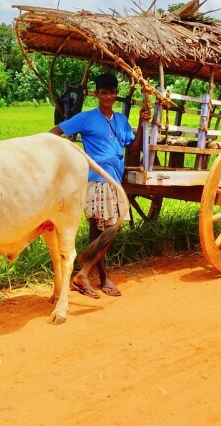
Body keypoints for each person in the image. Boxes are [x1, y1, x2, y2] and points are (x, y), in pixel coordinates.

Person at [49, 72, 151, 299]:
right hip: (96, 180)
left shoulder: (121, 121)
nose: (109, 96)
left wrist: (143, 122)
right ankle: (86, 274)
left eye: (112, 92)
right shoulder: (86, 118)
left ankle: (95, 276)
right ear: (97, 94)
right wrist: (70, 155)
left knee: (100, 231)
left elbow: (133, 149)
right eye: (104, 92)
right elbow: (55, 132)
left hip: (115, 180)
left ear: (116, 94)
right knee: (110, 229)